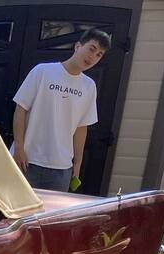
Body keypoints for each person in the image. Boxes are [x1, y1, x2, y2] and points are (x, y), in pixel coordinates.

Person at [11, 28, 111, 193]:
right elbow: (21, 109)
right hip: (27, 160)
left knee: (54, 210)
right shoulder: (43, 71)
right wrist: (19, 148)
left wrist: (77, 165)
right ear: (78, 46)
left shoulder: (89, 86)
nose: (92, 56)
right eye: (91, 49)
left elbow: (81, 127)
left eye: (99, 54)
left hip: (61, 168)